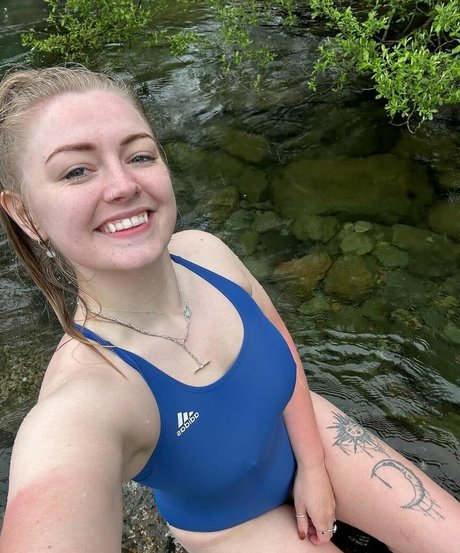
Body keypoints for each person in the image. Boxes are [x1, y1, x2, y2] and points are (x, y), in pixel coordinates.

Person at [0, 65, 458, 553]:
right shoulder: (86, 396)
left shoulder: (204, 252)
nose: (123, 185)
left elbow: (282, 349)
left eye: (139, 155)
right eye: (76, 171)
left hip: (308, 436)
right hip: (235, 526)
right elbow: (54, 492)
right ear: (25, 214)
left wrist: (314, 467)